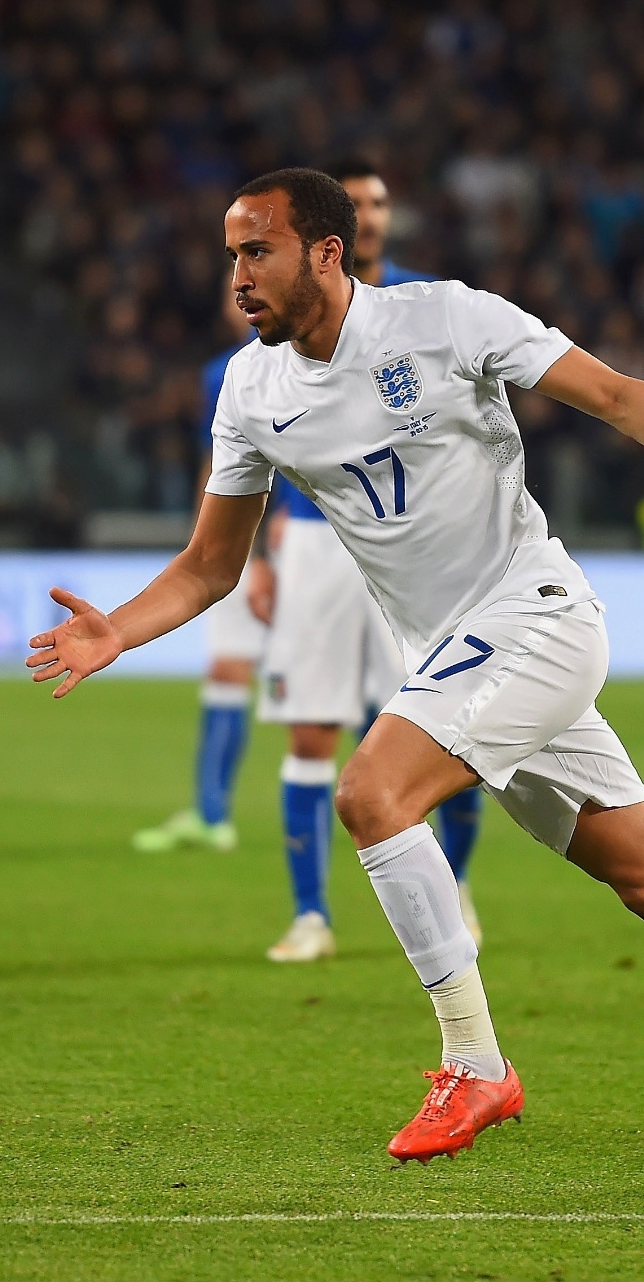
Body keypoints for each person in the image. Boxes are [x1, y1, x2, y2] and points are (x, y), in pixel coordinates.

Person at [26, 170, 644, 1201]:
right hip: (455, 658)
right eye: (231, 254)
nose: (238, 276)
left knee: (371, 792)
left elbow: (613, 394)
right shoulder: (251, 390)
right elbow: (210, 564)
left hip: (535, 615)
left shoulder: (445, 321)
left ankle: (475, 1064)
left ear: (327, 252)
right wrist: (119, 629)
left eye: (258, 251)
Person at [258, 157, 485, 964]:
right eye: (356, 204)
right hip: (317, 546)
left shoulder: (425, 307)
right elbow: (260, 440)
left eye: (380, 203)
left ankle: (455, 886)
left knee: (446, 728)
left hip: (415, 549)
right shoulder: (284, 323)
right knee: (311, 729)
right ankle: (311, 914)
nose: (372, 215)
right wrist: (262, 553)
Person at [131, 285, 268, 854]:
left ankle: (213, 813)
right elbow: (220, 467)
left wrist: (251, 554)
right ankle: (212, 813)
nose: (239, 296)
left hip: (277, 546)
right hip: (259, 544)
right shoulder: (223, 372)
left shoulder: (233, 371)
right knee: (230, 670)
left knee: (241, 675)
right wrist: (202, 544)